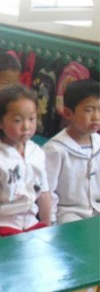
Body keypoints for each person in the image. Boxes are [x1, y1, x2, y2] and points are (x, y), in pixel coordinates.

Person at [0, 85, 51, 240]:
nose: (26, 127)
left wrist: (48, 229)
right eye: (17, 120)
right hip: (2, 224)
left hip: (30, 223)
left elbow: (44, 194)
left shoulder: (36, 152)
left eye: (31, 119)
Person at [43, 79, 100, 224]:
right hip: (69, 214)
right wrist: (51, 223)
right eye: (89, 110)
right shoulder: (55, 150)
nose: (96, 117)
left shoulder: (98, 142)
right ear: (68, 113)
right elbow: (47, 192)